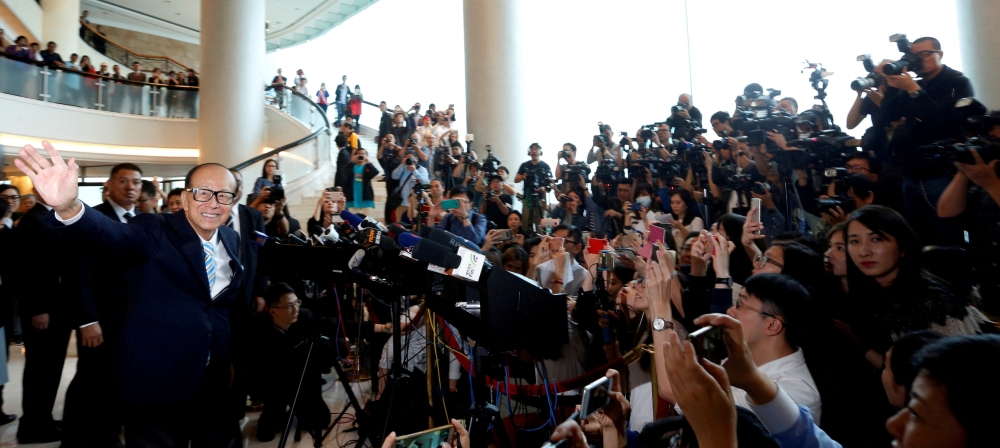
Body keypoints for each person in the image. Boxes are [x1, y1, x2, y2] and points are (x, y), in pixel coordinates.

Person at [17, 142, 247, 446]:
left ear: (233, 201)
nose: (213, 203)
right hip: (157, 379)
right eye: (203, 193)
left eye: (223, 195)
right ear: (186, 197)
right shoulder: (154, 228)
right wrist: (69, 207)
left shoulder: (230, 238)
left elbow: (219, 306)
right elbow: (113, 235)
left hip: (212, 377)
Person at [844, 205, 994, 363]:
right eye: (854, 241)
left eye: (876, 239)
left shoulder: (934, 305)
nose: (863, 251)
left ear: (903, 248)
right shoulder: (872, 291)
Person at [882, 36, 972, 246]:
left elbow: (943, 121)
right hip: (911, 171)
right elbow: (887, 116)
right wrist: (893, 87)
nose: (918, 60)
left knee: (948, 234)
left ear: (939, 54)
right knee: (918, 237)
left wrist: (914, 90)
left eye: (924, 54)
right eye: (915, 56)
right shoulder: (913, 86)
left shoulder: (957, 82)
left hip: (942, 172)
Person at [244, 282, 333, 442]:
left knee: (321, 421)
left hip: (300, 382)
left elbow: (333, 324)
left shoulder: (304, 316)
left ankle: (296, 409)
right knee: (265, 435)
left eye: (297, 303)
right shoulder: (257, 328)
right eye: (289, 306)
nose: (295, 309)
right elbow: (252, 369)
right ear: (273, 311)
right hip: (272, 385)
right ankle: (278, 411)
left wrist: (379, 328)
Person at [938, 145, 1000, 315]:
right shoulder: (985, 183)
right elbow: (946, 213)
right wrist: (963, 172)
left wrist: (991, 183)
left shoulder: (990, 182)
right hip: (987, 291)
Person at [515, 143, 552, 233]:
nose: (534, 151)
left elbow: (550, 183)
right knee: (526, 222)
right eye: (532, 149)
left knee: (540, 222)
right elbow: (516, 179)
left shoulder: (545, 166)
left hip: (540, 198)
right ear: (529, 152)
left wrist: (543, 188)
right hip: (527, 198)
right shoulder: (524, 165)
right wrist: (523, 176)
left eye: (537, 149)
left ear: (540, 152)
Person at [391, 153, 429, 220]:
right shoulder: (403, 168)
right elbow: (394, 176)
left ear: (416, 159)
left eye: (411, 158)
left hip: (416, 205)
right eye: (407, 158)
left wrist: (414, 171)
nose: (409, 160)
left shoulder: (422, 170)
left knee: (414, 226)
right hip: (402, 203)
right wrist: (402, 165)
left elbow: (423, 181)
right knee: (400, 226)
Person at [344, 148, 378, 213]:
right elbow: (344, 174)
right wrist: (352, 162)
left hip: (366, 198)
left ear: (366, 156)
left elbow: (374, 173)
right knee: (353, 221)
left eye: (363, 154)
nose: (361, 156)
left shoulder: (367, 166)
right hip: (352, 198)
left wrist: (369, 162)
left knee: (368, 221)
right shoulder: (351, 166)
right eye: (359, 154)